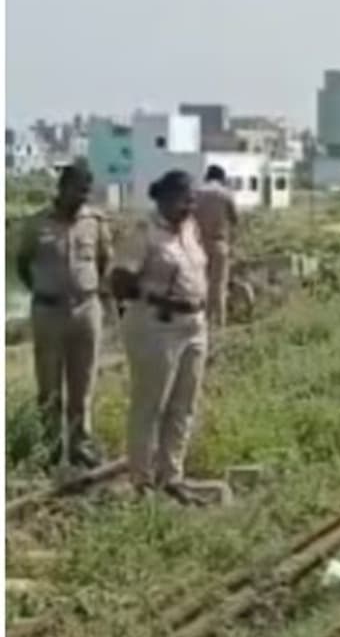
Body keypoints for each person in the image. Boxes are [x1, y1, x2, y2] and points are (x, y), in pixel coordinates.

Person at [109, 170, 211, 505]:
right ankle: (141, 479)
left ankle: (172, 475)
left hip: (193, 325)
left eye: (192, 199)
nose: (190, 205)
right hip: (157, 326)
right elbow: (120, 281)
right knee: (151, 404)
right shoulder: (145, 233)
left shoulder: (190, 229)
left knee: (183, 404)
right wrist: (158, 298)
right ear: (165, 199)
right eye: (185, 199)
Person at [15, 162, 111, 469]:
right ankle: (51, 448)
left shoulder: (95, 221)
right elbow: (22, 263)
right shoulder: (36, 224)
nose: (81, 196)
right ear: (61, 188)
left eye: (86, 190)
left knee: (83, 384)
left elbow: (103, 261)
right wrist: (46, 291)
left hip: (85, 310)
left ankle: (81, 445)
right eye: (76, 189)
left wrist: (86, 291)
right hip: (49, 312)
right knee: (49, 386)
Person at [193, 165, 237, 329]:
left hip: (196, 246)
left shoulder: (196, 193)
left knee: (198, 286)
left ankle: (199, 325)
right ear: (222, 178)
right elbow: (235, 219)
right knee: (218, 287)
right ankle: (218, 327)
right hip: (219, 244)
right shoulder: (225, 194)